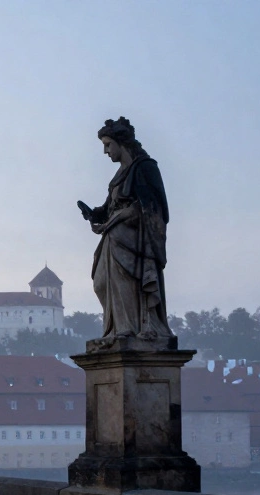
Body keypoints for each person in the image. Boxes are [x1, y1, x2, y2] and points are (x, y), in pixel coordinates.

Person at [77, 117, 172, 346]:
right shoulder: (119, 175)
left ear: (121, 143)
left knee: (127, 282)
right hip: (114, 238)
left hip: (135, 241)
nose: (105, 151)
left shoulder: (145, 167)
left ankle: (129, 329)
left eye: (108, 145)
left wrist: (127, 214)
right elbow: (110, 206)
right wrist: (96, 214)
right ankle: (117, 327)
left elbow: (155, 207)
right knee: (101, 283)